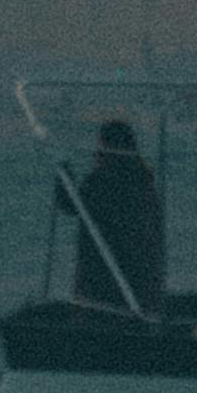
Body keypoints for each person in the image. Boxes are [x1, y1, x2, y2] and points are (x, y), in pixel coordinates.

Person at [73, 113, 167, 314]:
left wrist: (65, 181)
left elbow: (73, 204)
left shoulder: (100, 182)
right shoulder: (144, 181)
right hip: (142, 286)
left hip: (103, 286)